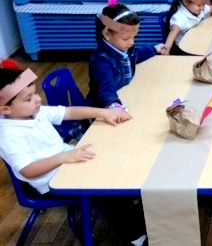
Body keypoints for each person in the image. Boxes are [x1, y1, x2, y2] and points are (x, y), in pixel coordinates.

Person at [0, 65, 131, 195]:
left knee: (113, 157)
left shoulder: (35, 112)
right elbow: (27, 170)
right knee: (111, 180)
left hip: (66, 159)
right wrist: (62, 157)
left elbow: (69, 112)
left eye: (35, 93)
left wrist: (105, 113)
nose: (38, 99)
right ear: (5, 109)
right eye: (28, 99)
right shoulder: (10, 135)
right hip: (52, 181)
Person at [87, 0, 164, 110]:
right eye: (126, 38)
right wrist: (113, 104)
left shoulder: (123, 49)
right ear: (107, 34)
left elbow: (137, 55)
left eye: (134, 37)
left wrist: (154, 49)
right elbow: (106, 87)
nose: (132, 42)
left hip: (127, 95)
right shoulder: (102, 62)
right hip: (103, 110)